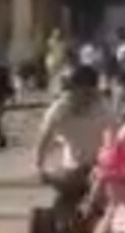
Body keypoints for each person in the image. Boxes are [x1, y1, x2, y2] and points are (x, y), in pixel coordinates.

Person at [32, 64, 116, 218]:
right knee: (65, 194)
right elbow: (45, 136)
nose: (80, 95)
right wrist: (38, 164)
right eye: (75, 90)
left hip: (99, 167)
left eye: (86, 90)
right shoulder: (60, 108)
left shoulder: (103, 107)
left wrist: (108, 163)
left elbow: (114, 137)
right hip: (71, 167)